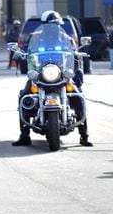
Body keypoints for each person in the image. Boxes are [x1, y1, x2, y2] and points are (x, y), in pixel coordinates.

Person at [12, 10, 92, 147]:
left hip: (60, 75)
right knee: (24, 97)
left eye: (55, 24)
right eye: (50, 25)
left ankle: (84, 135)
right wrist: (22, 55)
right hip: (40, 75)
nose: (52, 28)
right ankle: (24, 135)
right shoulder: (35, 37)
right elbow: (27, 51)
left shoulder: (66, 38)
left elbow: (74, 53)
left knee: (78, 97)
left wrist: (77, 55)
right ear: (44, 25)